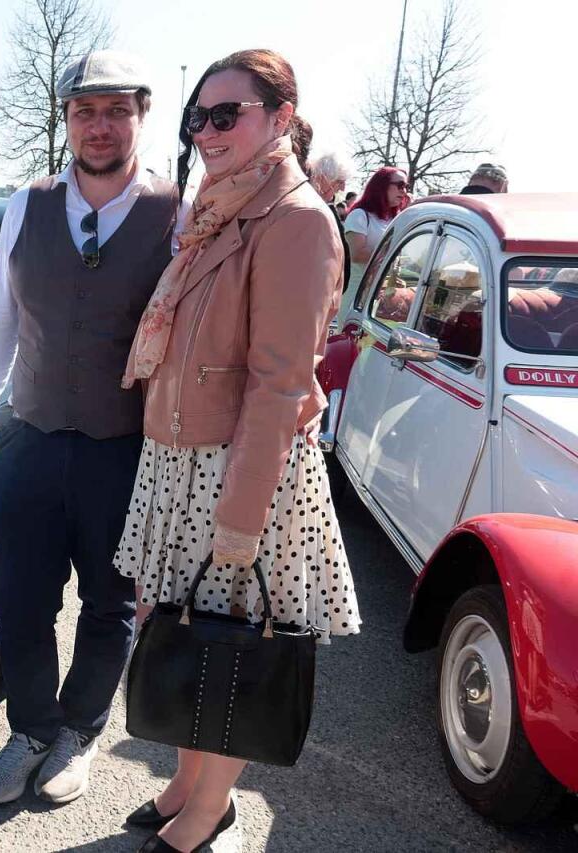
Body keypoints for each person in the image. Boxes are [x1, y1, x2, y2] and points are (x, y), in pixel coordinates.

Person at [117, 48, 359, 853]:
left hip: (241, 472)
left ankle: (208, 811)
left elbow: (280, 383)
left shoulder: (296, 219)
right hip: (183, 460)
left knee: (229, 648)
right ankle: (188, 785)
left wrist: (241, 518)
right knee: (184, 631)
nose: (207, 131)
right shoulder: (219, 206)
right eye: (199, 116)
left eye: (228, 114)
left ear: (281, 118)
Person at [0, 49, 178, 807]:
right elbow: (0, 315)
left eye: (117, 110)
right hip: (31, 432)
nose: (100, 125)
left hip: (125, 446)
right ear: (67, 121)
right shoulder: (27, 203)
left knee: (110, 602)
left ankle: (78, 730)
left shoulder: (177, 213)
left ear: (142, 116)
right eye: (85, 110)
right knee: (20, 596)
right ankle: (29, 729)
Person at [342, 166, 409, 295]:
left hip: (383, 296)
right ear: (381, 186)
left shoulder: (396, 219)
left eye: (406, 186)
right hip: (358, 296)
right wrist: (391, 256)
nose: (404, 191)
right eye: (400, 185)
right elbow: (357, 255)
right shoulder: (359, 215)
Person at [307, 152, 353, 290]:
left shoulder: (327, 206)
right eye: (340, 181)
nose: (343, 188)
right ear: (322, 178)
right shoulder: (306, 208)